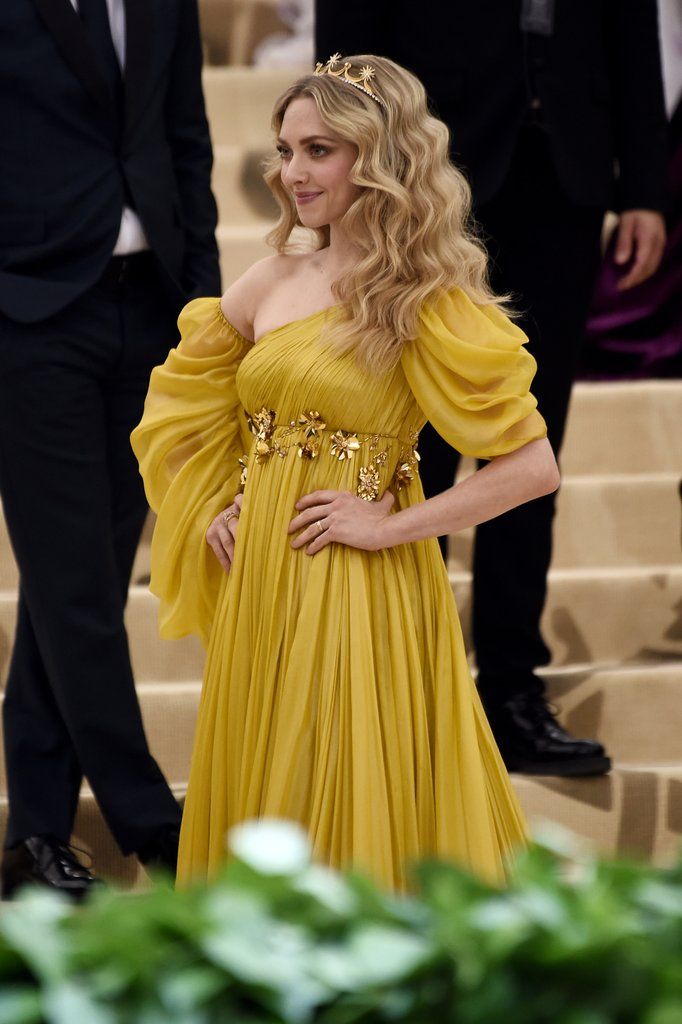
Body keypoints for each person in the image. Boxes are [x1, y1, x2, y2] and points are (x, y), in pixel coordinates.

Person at [132, 54, 559, 891]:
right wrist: (226, 499)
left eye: (319, 150)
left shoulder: (422, 296)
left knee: (349, 778)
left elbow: (531, 465)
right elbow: (190, 411)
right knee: (272, 780)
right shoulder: (269, 280)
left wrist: (390, 525)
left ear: (380, 156)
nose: (293, 172)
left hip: (361, 580)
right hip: (265, 575)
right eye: (286, 149)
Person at [315, 0, 669, 777]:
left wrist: (645, 184)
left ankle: (511, 692)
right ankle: (399, 689)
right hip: (425, 180)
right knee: (417, 443)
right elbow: (347, 31)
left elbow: (631, 29)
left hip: (567, 171)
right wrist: (350, 176)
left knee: (529, 449)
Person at [0, 0, 220, 900]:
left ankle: (38, 838)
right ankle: (155, 827)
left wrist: (204, 307)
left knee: (76, 582)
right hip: (28, 313)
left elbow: (187, 139)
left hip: (155, 309)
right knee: (76, 587)